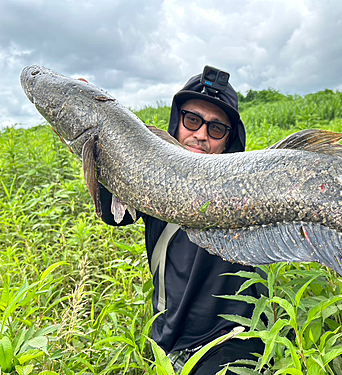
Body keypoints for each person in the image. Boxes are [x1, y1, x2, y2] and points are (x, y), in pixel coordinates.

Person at [98, 68, 265, 374]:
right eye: (192, 120)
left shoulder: (249, 188)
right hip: (168, 340)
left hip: (236, 338)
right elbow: (113, 214)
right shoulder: (150, 178)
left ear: (228, 141)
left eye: (216, 129)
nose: (200, 135)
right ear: (176, 123)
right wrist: (98, 122)